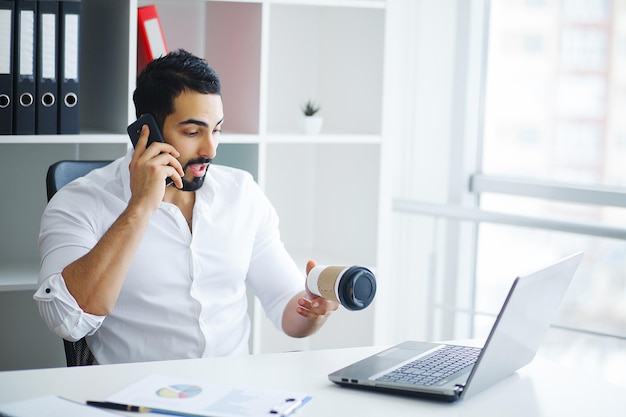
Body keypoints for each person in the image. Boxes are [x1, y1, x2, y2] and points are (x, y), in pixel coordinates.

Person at [35, 49, 338, 364]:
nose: (211, 149)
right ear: (146, 131)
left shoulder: (242, 194)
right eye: (193, 132)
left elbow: (287, 309)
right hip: (136, 399)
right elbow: (65, 320)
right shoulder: (80, 201)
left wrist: (314, 309)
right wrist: (138, 208)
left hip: (231, 396)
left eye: (216, 130)